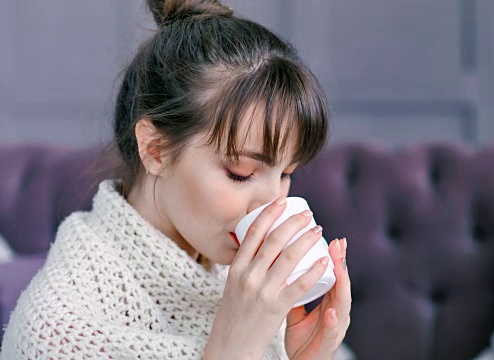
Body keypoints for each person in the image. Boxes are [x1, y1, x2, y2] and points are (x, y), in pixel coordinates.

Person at [0, 0, 351, 358]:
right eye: (241, 174)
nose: (273, 203)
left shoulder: (247, 287)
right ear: (155, 150)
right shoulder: (57, 333)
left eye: (287, 174)